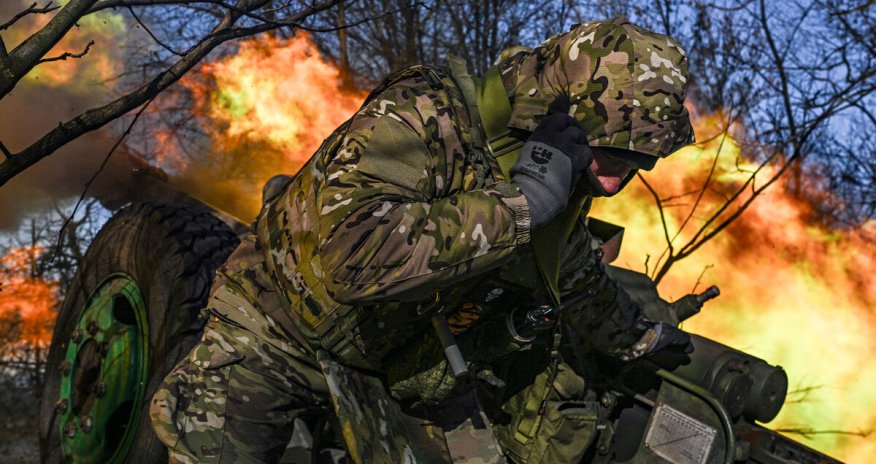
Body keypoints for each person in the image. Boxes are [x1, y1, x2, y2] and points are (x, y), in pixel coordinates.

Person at [150, 16, 696, 464]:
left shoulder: (559, 173)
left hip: (389, 371)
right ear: (557, 108)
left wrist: (642, 339)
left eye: (636, 165)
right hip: (279, 331)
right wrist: (521, 205)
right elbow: (352, 257)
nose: (611, 183)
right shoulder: (426, 113)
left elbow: (576, 280)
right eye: (610, 155)